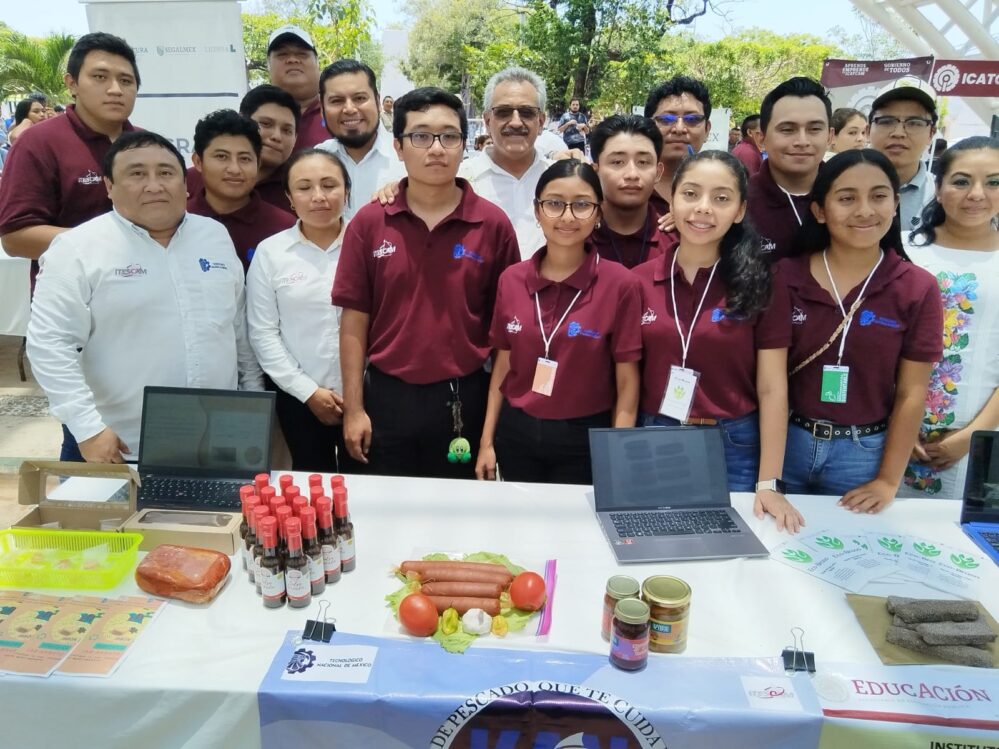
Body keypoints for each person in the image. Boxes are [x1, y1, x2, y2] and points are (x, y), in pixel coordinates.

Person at [26, 131, 263, 462]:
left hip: (213, 443)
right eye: (137, 174)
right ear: (109, 186)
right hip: (115, 448)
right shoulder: (78, 249)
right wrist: (88, 428)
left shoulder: (214, 236)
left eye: (166, 173)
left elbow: (238, 329)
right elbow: (50, 345)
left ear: (186, 183)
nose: (154, 185)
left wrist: (251, 402)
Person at [332, 87, 521, 479]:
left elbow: (505, 333)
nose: (436, 148)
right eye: (420, 136)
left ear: (464, 145)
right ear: (399, 147)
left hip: (463, 398)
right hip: (386, 397)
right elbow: (353, 320)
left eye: (449, 136)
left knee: (457, 519)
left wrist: (490, 431)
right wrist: (354, 408)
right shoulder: (369, 223)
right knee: (384, 514)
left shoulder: (492, 224)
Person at [633, 151, 800, 531]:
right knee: (653, 542)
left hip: (732, 443)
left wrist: (769, 482)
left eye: (721, 198)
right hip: (656, 434)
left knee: (726, 552)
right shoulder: (639, 281)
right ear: (672, 200)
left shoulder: (762, 283)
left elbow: (773, 387)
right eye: (691, 194)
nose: (703, 209)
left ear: (740, 210)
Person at [779, 149, 943, 512]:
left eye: (879, 196)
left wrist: (887, 480)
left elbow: (912, 392)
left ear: (896, 203)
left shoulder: (916, 287)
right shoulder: (785, 277)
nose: (865, 210)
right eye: (847, 198)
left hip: (862, 454)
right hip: (787, 441)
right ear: (820, 210)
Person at [475, 159, 642, 484]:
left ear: (598, 213)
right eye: (554, 204)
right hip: (517, 431)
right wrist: (487, 442)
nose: (567, 216)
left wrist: (618, 454)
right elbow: (503, 365)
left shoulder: (620, 284)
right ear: (537, 211)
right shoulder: (512, 279)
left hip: (585, 436)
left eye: (581, 205)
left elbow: (627, 382)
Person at [901, 136, 999, 499]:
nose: (977, 194)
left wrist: (970, 437)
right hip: (889, 432)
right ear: (938, 188)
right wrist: (902, 426)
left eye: (993, 182)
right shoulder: (903, 249)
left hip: (978, 438)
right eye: (961, 181)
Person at [247, 149, 355, 472]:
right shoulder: (272, 253)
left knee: (366, 484)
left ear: (346, 191)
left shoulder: (367, 244)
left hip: (365, 399)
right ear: (289, 197)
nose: (318, 196)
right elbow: (263, 333)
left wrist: (358, 393)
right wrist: (308, 392)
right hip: (299, 400)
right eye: (305, 187)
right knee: (312, 486)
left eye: (329, 185)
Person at [0, 33, 139, 262]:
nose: (115, 89)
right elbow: (16, 237)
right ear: (72, 83)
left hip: (149, 291)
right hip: (73, 294)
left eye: (126, 81)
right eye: (100, 77)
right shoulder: (37, 143)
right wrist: (114, 244)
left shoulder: (149, 144)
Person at [459, 67, 554, 259]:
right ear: (487, 120)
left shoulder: (562, 178)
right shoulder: (460, 181)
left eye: (527, 112)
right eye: (503, 112)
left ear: (541, 121)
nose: (516, 122)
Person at [187, 109, 295, 271]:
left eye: (245, 159)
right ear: (198, 161)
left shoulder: (285, 228)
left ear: (258, 164)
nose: (234, 169)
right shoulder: (177, 222)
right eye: (222, 157)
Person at [747, 76, 832, 263]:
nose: (802, 141)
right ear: (761, 139)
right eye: (787, 130)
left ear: (829, 136)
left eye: (814, 129)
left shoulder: (850, 197)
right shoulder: (739, 202)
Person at [317, 59, 406, 220]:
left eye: (359, 98)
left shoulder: (408, 160)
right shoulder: (314, 161)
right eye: (337, 101)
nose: (349, 109)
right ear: (322, 110)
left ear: (377, 102)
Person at [588, 114, 677, 269]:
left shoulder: (678, 240)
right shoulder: (576, 236)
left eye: (643, 162)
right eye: (617, 162)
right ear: (596, 171)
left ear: (658, 172)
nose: (632, 174)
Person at [868, 86, 937, 233]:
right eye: (886, 121)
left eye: (914, 123)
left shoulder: (941, 196)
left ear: (931, 133)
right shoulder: (834, 185)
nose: (899, 133)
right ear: (868, 131)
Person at [643, 76, 712, 216]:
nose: (679, 128)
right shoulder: (627, 185)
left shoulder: (724, 187)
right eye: (666, 119)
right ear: (647, 126)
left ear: (707, 130)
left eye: (692, 119)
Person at [267, 24, 326, 150]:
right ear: (268, 65)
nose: (292, 60)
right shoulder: (254, 116)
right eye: (282, 54)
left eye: (302, 54)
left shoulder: (338, 112)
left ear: (317, 62)